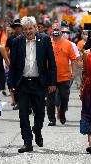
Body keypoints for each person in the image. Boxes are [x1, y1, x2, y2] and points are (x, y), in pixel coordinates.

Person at [8, 16, 57, 153]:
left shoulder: (45, 40)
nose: (28, 31)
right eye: (25, 29)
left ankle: (37, 130)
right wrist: (11, 82)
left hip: (39, 83)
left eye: (30, 28)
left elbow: (51, 63)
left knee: (40, 113)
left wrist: (52, 82)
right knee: (23, 113)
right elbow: (13, 64)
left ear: (36, 28)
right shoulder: (17, 41)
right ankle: (27, 142)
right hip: (22, 83)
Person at [47, 22, 76, 126]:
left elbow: (73, 59)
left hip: (64, 77)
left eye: (57, 28)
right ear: (51, 30)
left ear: (61, 30)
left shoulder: (68, 44)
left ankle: (62, 112)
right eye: (53, 28)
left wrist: (73, 72)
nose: (55, 30)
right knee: (50, 100)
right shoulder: (48, 43)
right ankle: (52, 119)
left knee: (64, 98)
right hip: (51, 78)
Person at [6, 19, 23, 110]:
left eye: (19, 27)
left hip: (25, 64)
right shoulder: (10, 39)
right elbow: (6, 51)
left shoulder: (26, 37)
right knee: (14, 84)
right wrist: (7, 62)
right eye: (15, 27)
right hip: (14, 65)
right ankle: (17, 102)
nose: (17, 29)